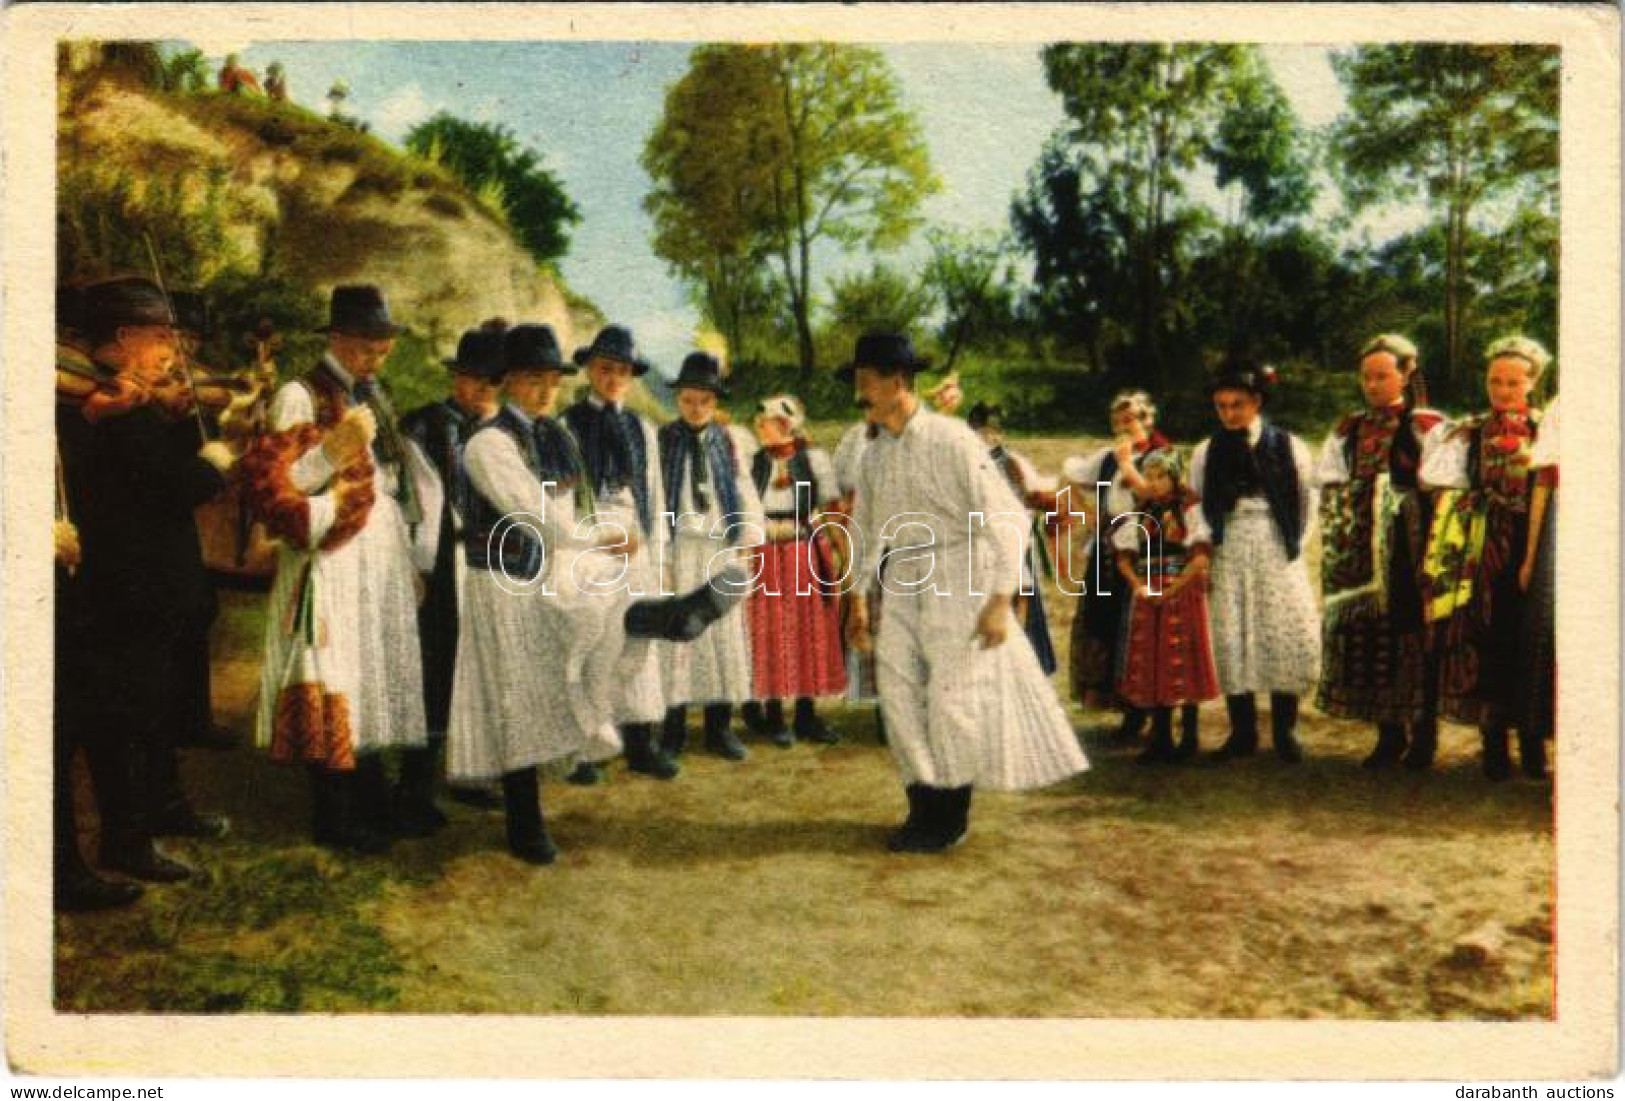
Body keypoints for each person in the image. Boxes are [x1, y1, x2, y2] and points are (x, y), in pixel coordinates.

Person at [445, 325, 744, 863]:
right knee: (522, 692)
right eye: (532, 381)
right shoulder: (488, 443)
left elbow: (574, 504)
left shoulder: (553, 437)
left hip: (551, 569)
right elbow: (536, 515)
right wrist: (603, 539)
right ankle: (524, 819)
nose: (543, 391)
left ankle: (655, 618)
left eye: (550, 382)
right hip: (503, 579)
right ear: (508, 380)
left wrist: (621, 545)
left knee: (591, 641)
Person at [842, 332, 1088, 854]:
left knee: (951, 697)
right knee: (899, 692)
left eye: (867, 380)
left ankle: (949, 815)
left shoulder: (952, 439)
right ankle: (921, 806)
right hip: (902, 575)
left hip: (961, 571)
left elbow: (1010, 519)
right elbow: (864, 530)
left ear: (898, 381)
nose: (859, 392)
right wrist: (857, 598)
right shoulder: (872, 456)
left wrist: (1002, 600)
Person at [242, 284, 431, 852]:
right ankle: (335, 816)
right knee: (336, 674)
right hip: (330, 558)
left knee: (371, 671)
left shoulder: (375, 391)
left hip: (380, 552)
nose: (379, 354)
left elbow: (395, 479)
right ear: (338, 339)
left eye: (384, 343)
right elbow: (278, 492)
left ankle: (374, 802)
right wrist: (334, 452)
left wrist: (410, 558)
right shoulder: (300, 396)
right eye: (368, 344)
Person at [64, 276, 236, 886]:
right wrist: (212, 465)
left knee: (154, 711)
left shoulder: (139, 404)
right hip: (123, 590)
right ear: (123, 337)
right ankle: (127, 841)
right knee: (126, 718)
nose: (172, 351)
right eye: (160, 336)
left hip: (156, 586)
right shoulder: (102, 406)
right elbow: (165, 489)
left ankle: (161, 809)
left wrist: (181, 418)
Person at [399, 325, 520, 823]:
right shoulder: (423, 426)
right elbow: (409, 503)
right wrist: (413, 564)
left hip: (495, 561)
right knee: (435, 670)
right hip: (443, 559)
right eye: (472, 380)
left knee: (488, 668)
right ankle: (415, 788)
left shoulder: (509, 432)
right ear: (456, 377)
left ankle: (472, 771)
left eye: (491, 383)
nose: (480, 391)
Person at [1419, 336, 1553, 780]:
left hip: (1533, 538)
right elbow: (1437, 481)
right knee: (1486, 635)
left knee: (1530, 638)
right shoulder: (1469, 430)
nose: (1502, 390)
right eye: (1495, 381)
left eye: (1512, 382)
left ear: (1532, 383)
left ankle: (1533, 743)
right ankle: (1493, 744)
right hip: (1482, 543)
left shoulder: (1546, 429)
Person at [1314, 335, 1446, 769]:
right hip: (1361, 544)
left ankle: (1423, 735)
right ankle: (1389, 733)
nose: (1372, 385)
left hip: (1410, 539)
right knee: (1373, 633)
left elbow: (1442, 486)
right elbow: (1329, 480)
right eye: (1366, 376)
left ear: (1406, 375)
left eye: (1382, 376)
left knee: (1414, 631)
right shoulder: (1348, 428)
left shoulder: (1427, 426)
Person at [562, 325, 679, 780]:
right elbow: (559, 494)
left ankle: (640, 741)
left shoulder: (641, 427)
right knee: (593, 639)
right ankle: (584, 747)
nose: (613, 379)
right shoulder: (567, 425)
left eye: (623, 372)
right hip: (590, 537)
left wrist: (658, 553)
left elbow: (655, 492)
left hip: (634, 537)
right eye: (606, 369)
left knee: (638, 638)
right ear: (590, 370)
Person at [1188, 362, 1320, 763]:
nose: (1229, 414)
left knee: (1281, 628)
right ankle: (1241, 731)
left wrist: (1294, 541)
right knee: (1232, 631)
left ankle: (1285, 730)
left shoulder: (1288, 445)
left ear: (1257, 403)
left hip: (1274, 542)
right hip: (1228, 543)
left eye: (1238, 405)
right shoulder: (1205, 450)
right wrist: (1203, 545)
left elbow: (1307, 499)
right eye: (1222, 406)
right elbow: (1195, 502)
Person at [656, 353, 765, 761]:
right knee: (680, 635)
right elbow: (656, 499)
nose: (696, 408)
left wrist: (746, 543)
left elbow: (744, 492)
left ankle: (719, 729)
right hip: (683, 548)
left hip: (720, 548)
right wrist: (662, 556)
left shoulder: (730, 442)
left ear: (715, 403)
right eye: (687, 400)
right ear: (678, 400)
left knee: (722, 637)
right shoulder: (664, 441)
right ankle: (673, 732)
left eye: (704, 401)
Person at [1060, 391, 1171, 736]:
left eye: (1131, 419)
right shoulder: (1107, 456)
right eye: (1118, 420)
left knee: (1139, 625)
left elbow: (1158, 496)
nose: (1124, 426)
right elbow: (1070, 478)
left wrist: (1126, 465)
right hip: (1110, 546)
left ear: (1148, 420)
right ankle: (1123, 709)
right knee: (1106, 623)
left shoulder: (1161, 455)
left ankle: (1149, 711)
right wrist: (1089, 513)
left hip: (1147, 546)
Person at [742, 394, 846, 747]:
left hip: (803, 550)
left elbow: (831, 508)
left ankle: (806, 714)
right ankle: (773, 716)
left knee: (806, 629)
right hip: (765, 552)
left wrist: (839, 550)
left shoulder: (813, 459)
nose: (759, 429)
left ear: (784, 426)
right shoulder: (755, 462)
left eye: (765, 423)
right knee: (769, 628)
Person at [1110, 449, 1220, 763]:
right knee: (1153, 659)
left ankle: (1189, 735)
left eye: (1162, 476)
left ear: (1174, 476)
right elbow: (1124, 558)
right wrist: (1139, 587)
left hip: (1182, 591)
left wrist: (1172, 589)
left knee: (1182, 655)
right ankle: (1160, 737)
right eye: (1150, 477)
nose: (1156, 483)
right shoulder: (1141, 511)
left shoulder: (1190, 509)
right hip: (1148, 594)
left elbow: (1200, 558)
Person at [966, 400, 1059, 675]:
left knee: (1020, 598)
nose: (987, 437)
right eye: (981, 431)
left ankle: (1020, 665)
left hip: (1011, 541)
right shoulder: (967, 462)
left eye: (992, 431)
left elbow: (1036, 494)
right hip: (979, 544)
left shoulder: (1013, 464)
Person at [1521, 395, 1558, 763]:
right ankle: (1534, 740)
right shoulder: (1562, 409)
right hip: (1566, 521)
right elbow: (1544, 485)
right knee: (1547, 628)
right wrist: (1531, 555)